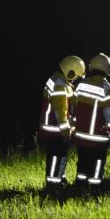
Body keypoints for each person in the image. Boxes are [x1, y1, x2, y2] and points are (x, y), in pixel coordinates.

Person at [38, 55, 85, 189]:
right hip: (54, 129)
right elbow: (60, 111)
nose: (76, 78)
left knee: (61, 154)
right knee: (55, 156)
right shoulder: (60, 84)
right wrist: (66, 131)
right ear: (69, 70)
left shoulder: (59, 80)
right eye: (75, 75)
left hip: (55, 129)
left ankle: (60, 179)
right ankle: (52, 185)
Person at [72, 53, 110, 187]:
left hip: (80, 136)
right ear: (107, 69)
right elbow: (109, 113)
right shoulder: (106, 88)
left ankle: (79, 185)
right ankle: (94, 188)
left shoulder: (81, 85)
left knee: (83, 162)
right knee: (97, 162)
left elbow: (74, 107)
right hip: (98, 138)